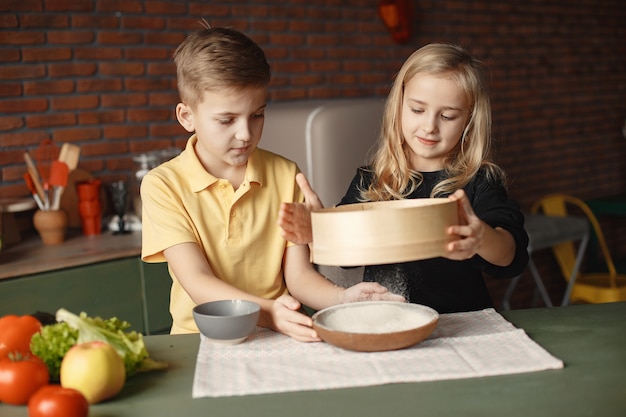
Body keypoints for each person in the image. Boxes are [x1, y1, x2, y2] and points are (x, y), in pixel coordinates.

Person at [140, 25, 403, 342]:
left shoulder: (284, 173)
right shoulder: (162, 185)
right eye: (227, 120)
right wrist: (269, 311)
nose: (245, 134)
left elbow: (299, 277)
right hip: (200, 339)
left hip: (281, 334)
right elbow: (197, 280)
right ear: (186, 116)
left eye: (257, 115)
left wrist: (343, 300)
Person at [279, 43, 529, 314]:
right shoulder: (371, 181)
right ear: (398, 105)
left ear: (469, 121)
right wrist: (318, 229)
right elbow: (345, 258)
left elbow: (509, 256)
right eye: (417, 110)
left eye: (447, 116)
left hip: (460, 325)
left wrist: (481, 237)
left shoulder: (479, 181)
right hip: (388, 320)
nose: (429, 126)